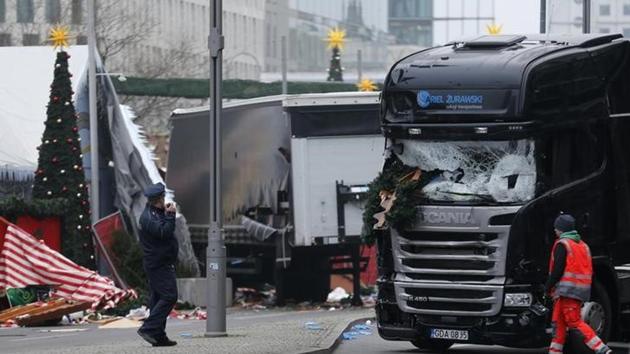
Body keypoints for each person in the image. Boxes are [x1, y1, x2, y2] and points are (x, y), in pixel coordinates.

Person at [545, 214, 611, 354]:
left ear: (561, 229)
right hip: (577, 291)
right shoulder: (583, 246)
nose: (555, 230)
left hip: (566, 291)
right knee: (559, 324)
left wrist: (547, 287)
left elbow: (557, 271)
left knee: (574, 321)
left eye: (556, 228)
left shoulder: (562, 245)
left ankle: (601, 348)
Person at [137, 183, 179, 347]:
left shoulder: (155, 213)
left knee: (157, 299)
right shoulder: (148, 217)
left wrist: (166, 213)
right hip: (158, 264)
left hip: (160, 262)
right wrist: (170, 216)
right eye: (163, 198)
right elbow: (164, 232)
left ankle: (158, 336)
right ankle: (149, 328)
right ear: (158, 199)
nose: (165, 200)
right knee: (169, 296)